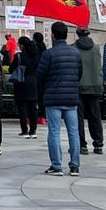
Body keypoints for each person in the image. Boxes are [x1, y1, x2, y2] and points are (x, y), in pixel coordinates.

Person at [35, 21, 82, 175]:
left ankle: (56, 165)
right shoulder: (75, 53)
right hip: (71, 98)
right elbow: (79, 74)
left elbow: (40, 76)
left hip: (53, 97)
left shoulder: (48, 54)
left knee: (54, 132)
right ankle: (75, 165)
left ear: (53, 35)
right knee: (73, 132)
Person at [74, 26, 104, 155]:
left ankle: (82, 145)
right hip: (95, 85)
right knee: (95, 116)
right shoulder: (96, 47)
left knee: (79, 117)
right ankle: (98, 144)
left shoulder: (73, 48)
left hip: (79, 85)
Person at [12, 35, 40, 139]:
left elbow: (11, 69)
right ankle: (33, 131)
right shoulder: (36, 56)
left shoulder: (19, 56)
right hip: (33, 82)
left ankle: (24, 130)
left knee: (22, 107)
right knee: (33, 107)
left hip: (21, 82)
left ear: (21, 45)